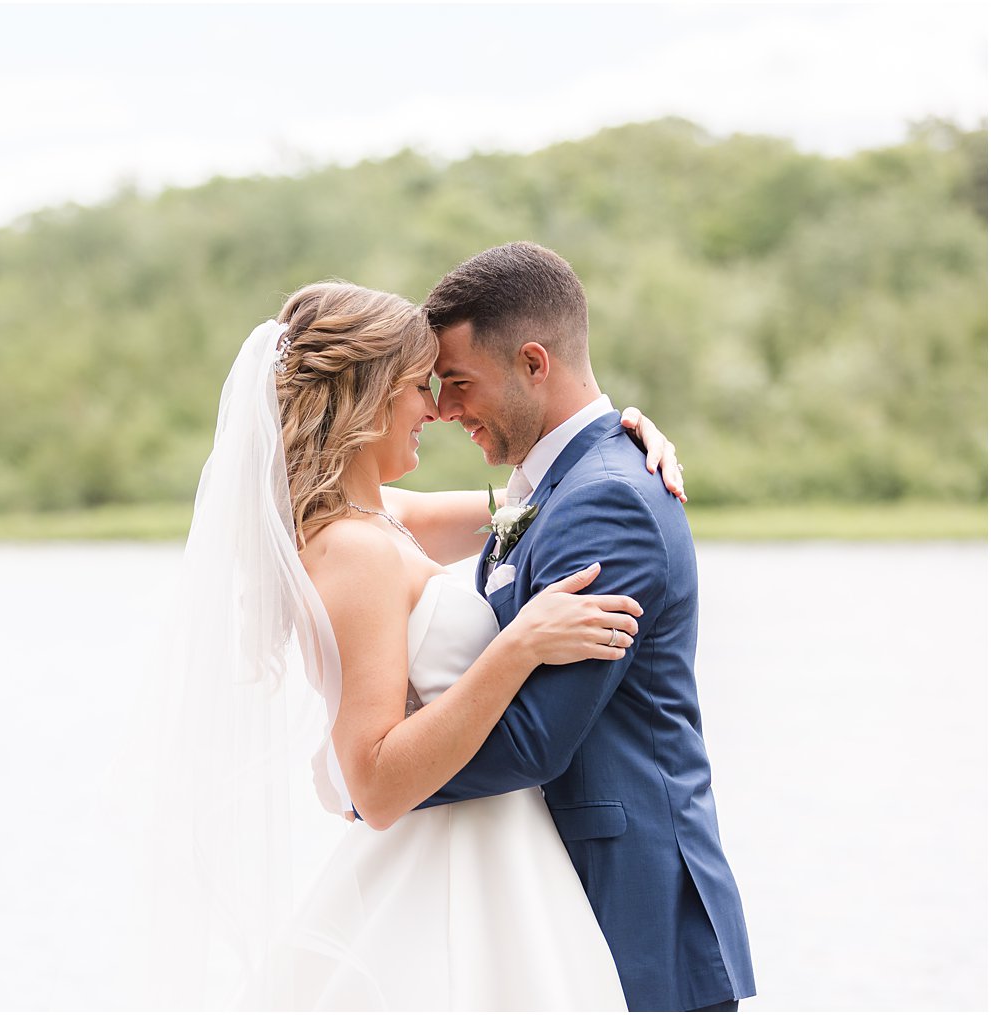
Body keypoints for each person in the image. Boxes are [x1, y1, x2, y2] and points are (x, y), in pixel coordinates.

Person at [158, 279, 688, 1010]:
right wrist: (518, 647)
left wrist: (622, 439)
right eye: (418, 387)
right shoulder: (355, 551)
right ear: (369, 395)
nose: (435, 410)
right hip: (448, 862)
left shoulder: (381, 517)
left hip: (500, 847)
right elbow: (373, 780)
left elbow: (546, 501)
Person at [414, 241, 756, 1012]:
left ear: (534, 362)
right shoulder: (553, 488)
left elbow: (537, 738)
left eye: (459, 383)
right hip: (555, 894)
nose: (443, 409)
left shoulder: (607, 498)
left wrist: (380, 776)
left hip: (629, 904)